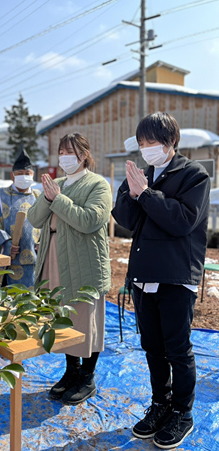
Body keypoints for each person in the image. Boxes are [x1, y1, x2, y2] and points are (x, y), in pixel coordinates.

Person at [112, 112, 210, 449]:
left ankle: (182, 411)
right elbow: (124, 220)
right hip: (144, 275)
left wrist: (147, 194)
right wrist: (131, 192)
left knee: (177, 350)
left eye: (151, 142)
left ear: (170, 142)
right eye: (141, 144)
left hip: (176, 275)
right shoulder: (142, 175)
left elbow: (183, 221)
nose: (146, 149)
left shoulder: (193, 175)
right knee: (152, 347)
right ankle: (160, 404)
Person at [27, 132, 111, 405]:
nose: (64, 156)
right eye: (61, 151)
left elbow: (90, 220)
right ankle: (71, 370)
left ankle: (87, 376)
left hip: (82, 261)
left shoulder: (98, 184)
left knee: (85, 317)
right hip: (53, 258)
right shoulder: (57, 184)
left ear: (84, 155)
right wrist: (48, 198)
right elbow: (35, 219)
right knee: (62, 317)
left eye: (70, 151)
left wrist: (59, 199)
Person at [0, 148, 41, 288]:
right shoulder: (0, 197)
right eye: (19, 174)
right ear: (12, 176)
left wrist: (42, 242)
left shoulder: (39, 197)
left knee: (28, 304)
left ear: (33, 175)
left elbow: (47, 225)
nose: (24, 177)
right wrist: (5, 245)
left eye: (27, 173)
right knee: (4, 303)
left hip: (32, 262)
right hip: (6, 264)